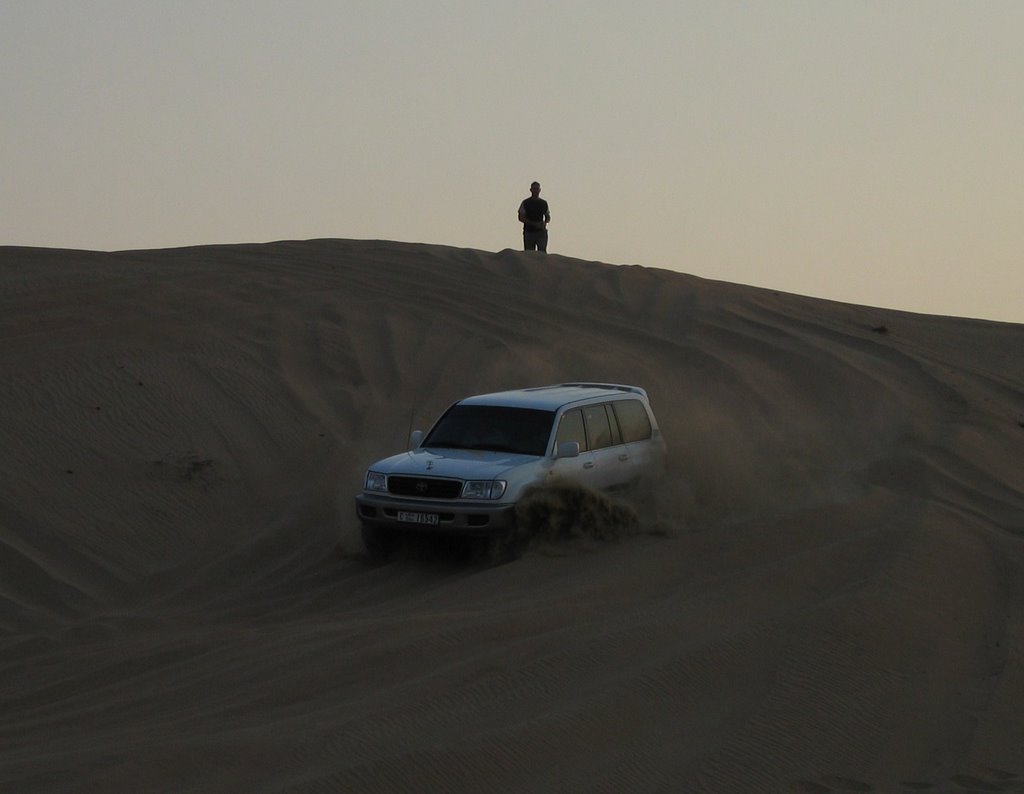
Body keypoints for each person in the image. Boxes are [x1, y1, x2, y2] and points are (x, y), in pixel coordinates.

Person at [518, 181, 551, 252]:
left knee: (542, 254)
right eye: (534, 189)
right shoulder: (526, 202)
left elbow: (547, 216)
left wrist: (545, 223)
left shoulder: (544, 203)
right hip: (529, 232)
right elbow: (521, 217)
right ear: (531, 190)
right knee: (529, 254)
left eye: (537, 189)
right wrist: (533, 224)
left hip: (541, 232)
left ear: (540, 190)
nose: (536, 191)